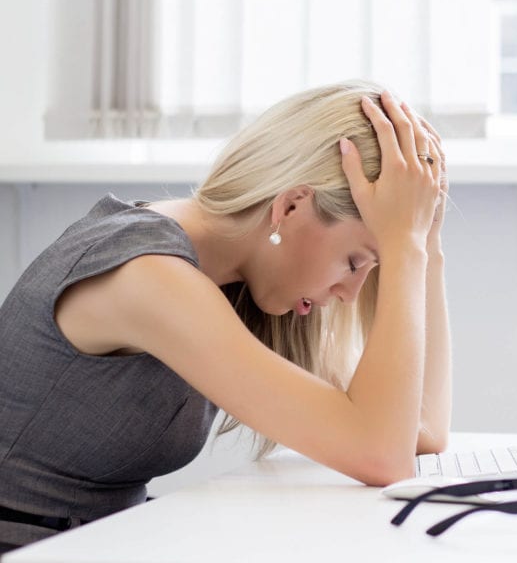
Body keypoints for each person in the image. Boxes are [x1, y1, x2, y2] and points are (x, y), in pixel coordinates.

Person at [0, 79, 451, 552]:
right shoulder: (148, 275)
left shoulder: (235, 280)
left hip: (100, 543)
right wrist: (404, 245)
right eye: (355, 262)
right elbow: (382, 455)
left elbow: (419, 430)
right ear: (292, 206)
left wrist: (427, 242)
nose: (349, 293)